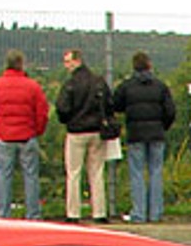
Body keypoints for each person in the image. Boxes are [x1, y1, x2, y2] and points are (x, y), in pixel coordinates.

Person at [0, 49, 49, 219]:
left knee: (4, 176)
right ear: (21, 64)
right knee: (31, 176)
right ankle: (33, 214)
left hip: (5, 136)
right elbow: (42, 112)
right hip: (27, 136)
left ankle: (3, 214)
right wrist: (37, 131)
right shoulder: (33, 86)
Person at [111, 51, 177, 223]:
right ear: (150, 66)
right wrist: (164, 126)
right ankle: (156, 213)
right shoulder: (160, 86)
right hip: (156, 133)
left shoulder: (127, 86)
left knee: (137, 173)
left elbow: (115, 105)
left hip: (136, 133)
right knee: (156, 172)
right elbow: (170, 111)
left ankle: (138, 213)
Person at [55, 48, 111, 222]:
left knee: (73, 173)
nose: (66, 66)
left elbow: (62, 108)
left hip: (76, 132)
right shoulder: (99, 81)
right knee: (97, 172)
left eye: (68, 61)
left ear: (76, 61)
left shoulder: (70, 84)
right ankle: (99, 212)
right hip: (96, 131)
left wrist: (68, 120)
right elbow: (109, 104)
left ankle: (73, 213)